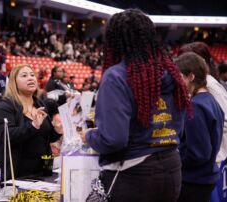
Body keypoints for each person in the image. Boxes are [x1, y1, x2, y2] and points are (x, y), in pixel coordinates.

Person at [79, 9, 190, 202]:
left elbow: (113, 139)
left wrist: (89, 136)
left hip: (132, 173)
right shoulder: (171, 72)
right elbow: (179, 128)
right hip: (172, 167)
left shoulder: (116, 76)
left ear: (114, 41)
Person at [0, 64, 63, 179]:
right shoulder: (4, 106)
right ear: (13, 83)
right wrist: (33, 125)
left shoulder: (39, 103)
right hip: (17, 174)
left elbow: (47, 136)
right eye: (24, 75)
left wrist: (58, 130)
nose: (30, 78)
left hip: (42, 172)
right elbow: (7, 136)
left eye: (32, 75)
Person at [175, 52, 224, 202]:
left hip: (194, 181)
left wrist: (174, 160)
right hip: (204, 177)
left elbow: (198, 153)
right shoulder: (210, 100)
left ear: (191, 76)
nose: (177, 83)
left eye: (180, 77)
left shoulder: (196, 106)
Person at [179, 42, 227, 165]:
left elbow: (223, 120)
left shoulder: (210, 87)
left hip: (212, 159)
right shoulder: (200, 90)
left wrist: (215, 151)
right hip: (208, 159)